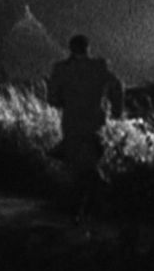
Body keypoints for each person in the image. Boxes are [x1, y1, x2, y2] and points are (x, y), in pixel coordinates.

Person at [47, 34, 124, 222]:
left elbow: (53, 99)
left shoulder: (61, 69)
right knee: (91, 162)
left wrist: (64, 100)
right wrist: (116, 110)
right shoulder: (99, 67)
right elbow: (117, 86)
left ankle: (83, 206)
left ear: (70, 49)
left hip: (72, 124)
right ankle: (97, 203)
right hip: (95, 123)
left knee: (77, 166)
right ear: (88, 48)